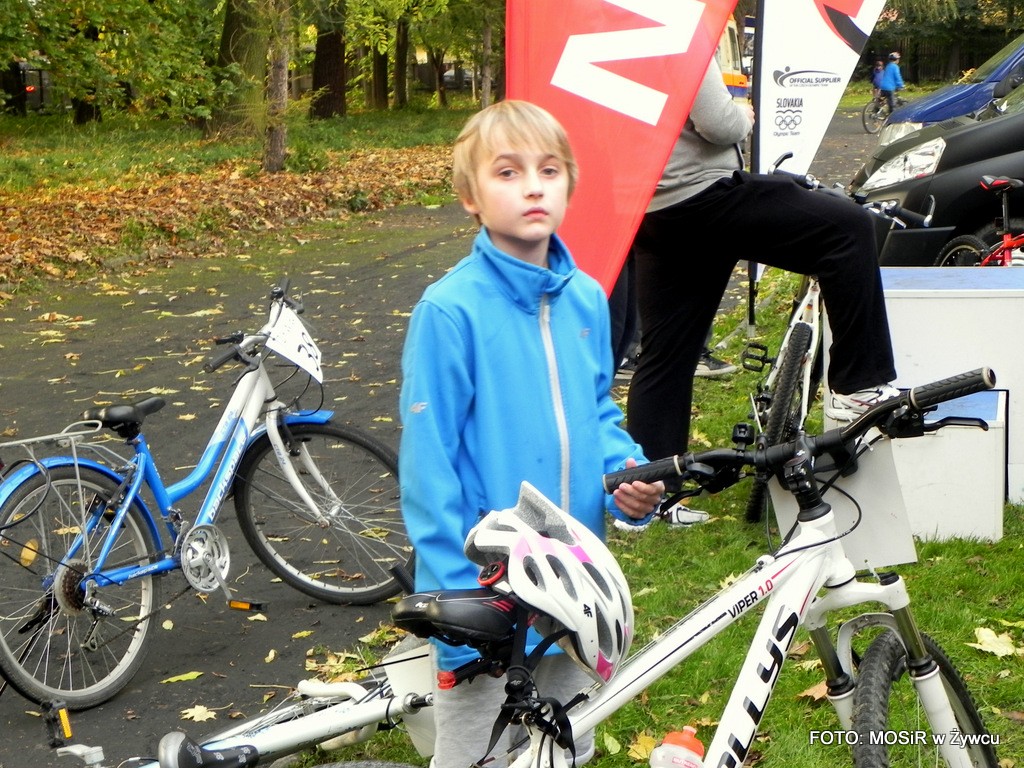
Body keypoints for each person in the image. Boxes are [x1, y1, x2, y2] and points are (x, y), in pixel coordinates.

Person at [398, 99, 665, 768]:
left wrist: (626, 476)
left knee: (562, 745)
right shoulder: (449, 311)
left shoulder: (588, 299)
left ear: (569, 184)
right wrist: (459, 602)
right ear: (470, 197)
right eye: (508, 172)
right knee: (480, 753)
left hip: (574, 584)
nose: (533, 187)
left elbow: (597, 412)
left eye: (549, 170)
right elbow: (429, 468)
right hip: (487, 594)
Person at [625, 57, 899, 464]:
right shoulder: (683, 32)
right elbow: (718, 123)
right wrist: (743, 114)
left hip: (653, 211)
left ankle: (651, 484)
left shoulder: (613, 35)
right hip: (704, 195)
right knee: (847, 229)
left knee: (666, 354)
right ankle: (858, 384)